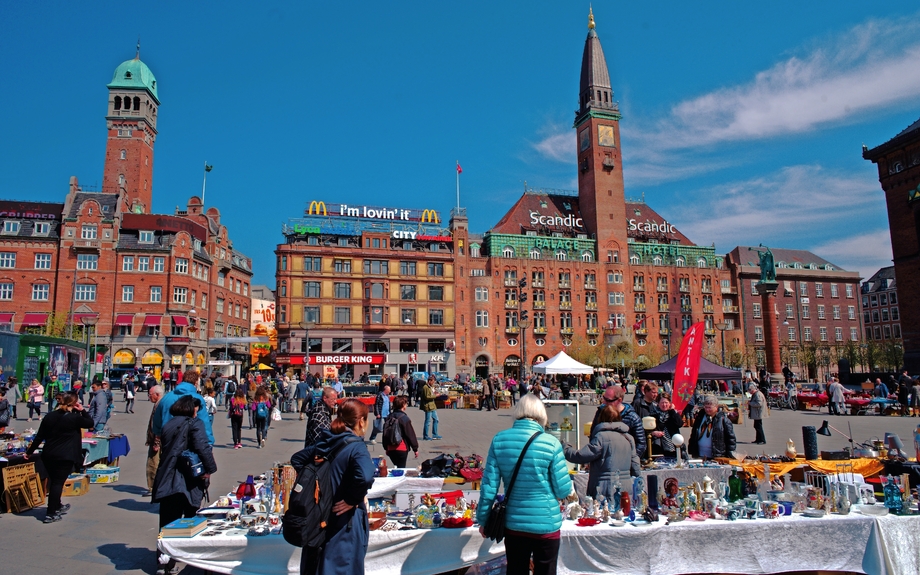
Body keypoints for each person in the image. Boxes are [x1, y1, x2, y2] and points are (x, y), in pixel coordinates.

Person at [477, 394, 573, 575]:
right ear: (541, 414)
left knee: (516, 570)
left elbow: (489, 487)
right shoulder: (551, 443)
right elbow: (563, 489)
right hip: (546, 523)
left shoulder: (500, 440)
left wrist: (483, 519)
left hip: (514, 523)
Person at [291, 399, 375, 575]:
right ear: (361, 421)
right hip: (344, 520)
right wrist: (352, 499)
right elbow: (366, 476)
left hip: (318, 516)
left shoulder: (327, 439)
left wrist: (315, 482)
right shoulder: (356, 446)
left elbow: (298, 459)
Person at [152, 395, 217, 575]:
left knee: (167, 520)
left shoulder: (169, 424)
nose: (197, 412)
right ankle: (186, 556)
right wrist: (210, 469)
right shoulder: (194, 424)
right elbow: (202, 447)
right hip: (187, 477)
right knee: (189, 518)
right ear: (190, 408)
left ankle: (163, 560)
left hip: (167, 475)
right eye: (196, 409)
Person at [25, 392, 94, 523]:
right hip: (65, 456)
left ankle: (57, 505)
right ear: (73, 404)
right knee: (57, 483)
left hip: (48, 454)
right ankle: (51, 512)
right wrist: (83, 410)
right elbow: (90, 423)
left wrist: (29, 452)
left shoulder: (50, 416)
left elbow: (39, 436)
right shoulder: (74, 418)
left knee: (54, 480)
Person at [564, 404, 639, 500]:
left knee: (604, 512)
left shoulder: (601, 437)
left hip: (604, 487)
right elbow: (635, 462)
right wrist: (639, 481)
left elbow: (581, 456)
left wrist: (566, 448)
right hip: (626, 486)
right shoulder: (629, 438)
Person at [152, 369, 214, 445]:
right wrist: (209, 441)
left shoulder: (167, 397)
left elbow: (157, 419)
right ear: (196, 382)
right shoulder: (197, 398)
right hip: (189, 440)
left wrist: (158, 434)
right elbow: (204, 422)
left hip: (169, 438)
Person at [591, 385, 646, 458]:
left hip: (625, 459)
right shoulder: (600, 412)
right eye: (604, 398)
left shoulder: (632, 417)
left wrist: (631, 459)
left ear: (619, 400)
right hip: (603, 459)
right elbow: (593, 436)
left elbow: (641, 443)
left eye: (608, 400)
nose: (604, 402)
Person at [382, 396, 419, 469]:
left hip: (390, 448)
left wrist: (386, 447)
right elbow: (410, 435)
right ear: (403, 405)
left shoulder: (389, 417)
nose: (406, 405)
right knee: (401, 468)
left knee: (396, 466)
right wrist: (415, 449)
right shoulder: (404, 418)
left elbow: (385, 433)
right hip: (401, 447)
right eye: (406, 404)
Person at [144, 385, 164, 497]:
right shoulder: (162, 404)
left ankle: (153, 487)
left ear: (157, 394)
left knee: (153, 463)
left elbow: (157, 425)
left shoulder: (159, 405)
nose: (149, 397)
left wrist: (156, 442)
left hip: (157, 440)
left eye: (150, 395)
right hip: (159, 439)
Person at [650, 393, 683, 458]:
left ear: (670, 403)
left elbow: (679, 424)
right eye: (662, 402)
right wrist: (653, 433)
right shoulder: (653, 415)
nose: (664, 405)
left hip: (674, 447)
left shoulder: (673, 413)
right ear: (658, 403)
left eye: (666, 402)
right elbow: (647, 431)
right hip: (659, 448)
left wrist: (672, 411)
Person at [420, 375, 442, 440]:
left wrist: (435, 392)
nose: (433, 383)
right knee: (428, 421)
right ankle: (425, 435)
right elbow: (427, 397)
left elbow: (432, 393)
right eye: (432, 382)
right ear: (429, 381)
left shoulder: (431, 387)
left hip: (433, 406)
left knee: (436, 419)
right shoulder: (425, 387)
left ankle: (435, 434)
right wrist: (435, 396)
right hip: (428, 406)